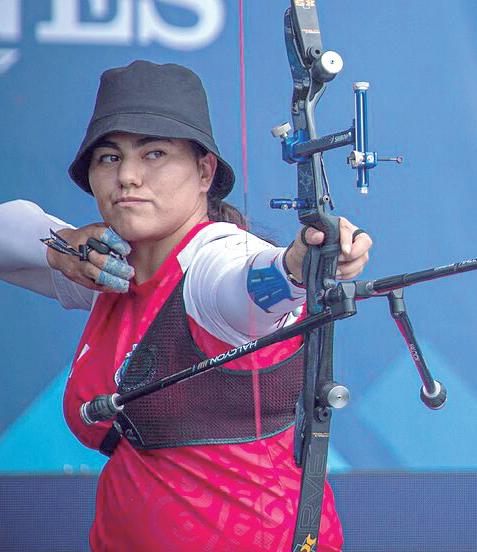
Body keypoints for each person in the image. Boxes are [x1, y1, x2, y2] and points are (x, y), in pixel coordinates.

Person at [0, 60, 372, 551]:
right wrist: (59, 245)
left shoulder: (214, 264)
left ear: (204, 171)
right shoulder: (109, 270)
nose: (128, 176)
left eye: (154, 153)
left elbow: (254, 284)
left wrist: (300, 263)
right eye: (109, 157)